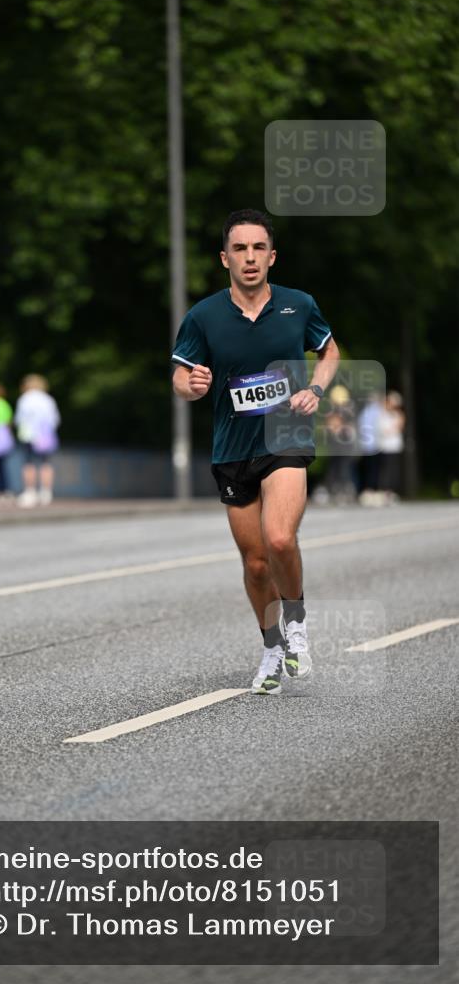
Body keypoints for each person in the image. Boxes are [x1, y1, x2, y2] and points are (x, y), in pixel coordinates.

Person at [172, 208, 340, 695]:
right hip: (232, 447)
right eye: (240, 249)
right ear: (225, 258)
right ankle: (271, 646)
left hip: (285, 437)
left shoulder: (299, 305)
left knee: (280, 539)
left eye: (258, 248)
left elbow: (329, 351)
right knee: (255, 563)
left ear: (272, 256)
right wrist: (192, 385)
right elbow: (181, 374)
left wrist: (316, 389)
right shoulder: (202, 316)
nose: (250, 257)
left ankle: (297, 621)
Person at [14, 374, 61, 507]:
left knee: (29, 463)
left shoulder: (25, 399)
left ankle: (30, 492)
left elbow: (19, 419)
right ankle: (46, 493)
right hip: (45, 434)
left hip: (29, 434)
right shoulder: (48, 399)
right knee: (46, 463)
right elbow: (55, 419)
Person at [376, 390, 405, 502]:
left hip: (395, 446)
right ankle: (384, 491)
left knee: (394, 470)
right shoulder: (382, 415)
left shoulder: (398, 415)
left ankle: (392, 491)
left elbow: (399, 426)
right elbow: (383, 430)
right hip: (385, 447)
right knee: (385, 470)